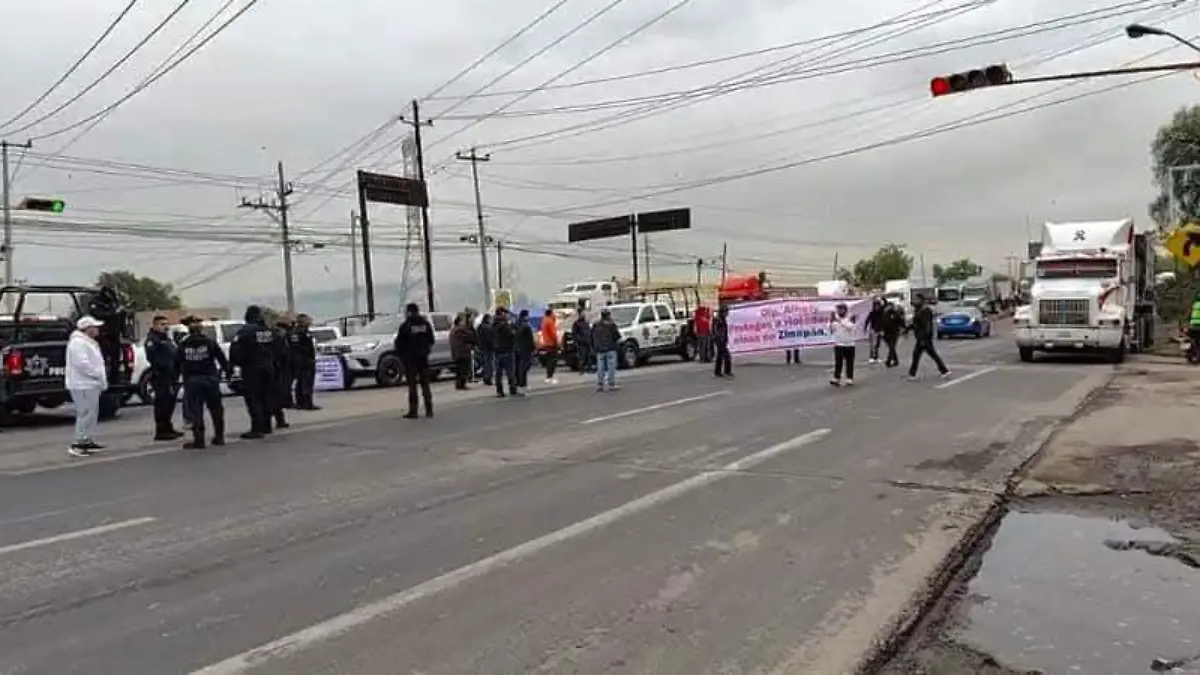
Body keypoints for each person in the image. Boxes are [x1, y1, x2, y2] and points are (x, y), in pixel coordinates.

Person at [175, 315, 230, 449]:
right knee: (216, 409)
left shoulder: (183, 345)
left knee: (195, 411)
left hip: (192, 381)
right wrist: (227, 373)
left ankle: (199, 440)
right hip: (210, 380)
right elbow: (222, 360)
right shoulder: (210, 342)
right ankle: (219, 437)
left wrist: (175, 381)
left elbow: (176, 364)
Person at [229, 305, 277, 439]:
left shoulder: (245, 331)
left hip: (252, 369)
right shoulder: (268, 331)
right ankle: (267, 425)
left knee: (254, 398)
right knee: (266, 397)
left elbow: (236, 351)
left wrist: (235, 365)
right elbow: (276, 347)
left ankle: (257, 428)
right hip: (268, 366)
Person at [65, 316, 108, 457]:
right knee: (85, 413)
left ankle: (86, 440)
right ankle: (78, 443)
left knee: (91, 414)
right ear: (87, 328)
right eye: (95, 327)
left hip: (90, 384)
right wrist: (96, 374)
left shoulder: (88, 342)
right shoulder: (78, 343)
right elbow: (82, 363)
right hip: (82, 384)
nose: (97, 329)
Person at [144, 315, 183, 441]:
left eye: (166, 324)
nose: (165, 327)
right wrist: (165, 367)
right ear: (155, 325)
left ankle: (168, 427)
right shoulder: (152, 340)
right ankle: (161, 431)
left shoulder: (166, 339)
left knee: (170, 402)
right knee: (162, 403)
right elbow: (153, 358)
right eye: (162, 324)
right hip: (161, 375)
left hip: (172, 375)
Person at [394, 302, 435, 418]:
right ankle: (429, 409)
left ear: (410, 312)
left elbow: (399, 343)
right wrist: (426, 350)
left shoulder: (406, 326)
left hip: (410, 360)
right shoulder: (425, 324)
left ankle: (414, 411)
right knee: (425, 384)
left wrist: (402, 355)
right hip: (423, 358)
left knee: (412, 386)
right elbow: (431, 340)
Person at [907, 294, 951, 380]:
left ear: (921, 300)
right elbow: (916, 323)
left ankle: (912, 374)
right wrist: (907, 329)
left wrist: (924, 337)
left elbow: (927, 325)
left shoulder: (925, 310)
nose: (914, 301)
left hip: (924, 337)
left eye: (916, 299)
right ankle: (944, 371)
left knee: (919, 354)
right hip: (921, 336)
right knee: (929, 354)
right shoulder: (918, 310)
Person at [289, 314, 319, 410]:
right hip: (305, 360)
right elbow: (303, 347)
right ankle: (307, 403)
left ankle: (300, 402)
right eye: (308, 320)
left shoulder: (295, 332)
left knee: (301, 382)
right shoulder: (302, 332)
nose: (310, 321)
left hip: (299, 360)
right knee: (307, 382)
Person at [591, 307, 621, 391]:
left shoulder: (596, 325)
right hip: (610, 348)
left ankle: (600, 384)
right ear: (608, 315)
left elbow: (592, 336)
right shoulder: (611, 325)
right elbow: (617, 336)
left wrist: (594, 346)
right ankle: (611, 384)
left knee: (600, 367)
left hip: (599, 349)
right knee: (611, 367)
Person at [829, 302, 857, 386]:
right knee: (838, 362)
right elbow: (831, 330)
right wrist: (831, 322)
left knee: (849, 362)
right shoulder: (835, 320)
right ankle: (836, 378)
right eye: (838, 309)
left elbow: (850, 327)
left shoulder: (850, 318)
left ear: (845, 310)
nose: (839, 311)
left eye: (841, 309)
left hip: (849, 344)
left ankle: (849, 378)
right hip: (839, 344)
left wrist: (839, 321)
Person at [492, 308, 517, 397]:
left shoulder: (493, 325)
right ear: (503, 314)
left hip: (497, 352)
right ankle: (513, 390)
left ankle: (499, 391)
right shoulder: (505, 325)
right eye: (506, 314)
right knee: (510, 372)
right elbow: (512, 335)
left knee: (498, 374)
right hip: (507, 350)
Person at [449, 314, 476, 390]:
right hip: (463, 352)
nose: (464, 322)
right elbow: (471, 337)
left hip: (456, 352)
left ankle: (459, 384)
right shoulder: (461, 330)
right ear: (459, 322)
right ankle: (462, 384)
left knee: (459, 370)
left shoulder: (453, 330)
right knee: (463, 369)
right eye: (463, 321)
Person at [514, 309, 536, 395]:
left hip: (518, 349)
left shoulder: (517, 324)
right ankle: (522, 385)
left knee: (520, 367)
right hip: (526, 349)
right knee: (524, 368)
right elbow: (530, 339)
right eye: (528, 315)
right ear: (525, 316)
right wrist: (533, 349)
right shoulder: (526, 326)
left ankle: (521, 384)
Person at [881, 302, 904, 368]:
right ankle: (896, 360)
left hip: (894, 332)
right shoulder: (885, 314)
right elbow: (883, 323)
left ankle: (888, 361)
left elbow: (900, 320)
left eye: (891, 306)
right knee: (891, 347)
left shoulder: (895, 313)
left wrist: (903, 328)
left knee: (892, 347)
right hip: (887, 333)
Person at [712, 304, 732, 377]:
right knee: (727, 356)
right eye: (726, 312)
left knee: (719, 356)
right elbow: (716, 330)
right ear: (723, 312)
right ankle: (727, 371)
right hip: (720, 340)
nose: (727, 314)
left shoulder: (722, 319)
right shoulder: (718, 319)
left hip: (722, 340)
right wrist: (720, 338)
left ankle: (717, 372)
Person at [540, 308, 559, 384]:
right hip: (552, 343)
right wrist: (556, 342)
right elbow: (553, 334)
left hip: (546, 343)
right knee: (553, 361)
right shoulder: (550, 321)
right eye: (553, 313)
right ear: (550, 314)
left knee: (549, 361)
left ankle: (548, 376)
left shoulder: (544, 321)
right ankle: (550, 377)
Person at [865, 297, 885, 364]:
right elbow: (867, 321)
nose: (877, 307)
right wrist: (865, 328)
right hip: (873, 330)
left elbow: (883, 322)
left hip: (879, 330)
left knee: (877, 345)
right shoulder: (872, 313)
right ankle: (871, 357)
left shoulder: (881, 313)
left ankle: (876, 357)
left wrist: (883, 330)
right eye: (875, 306)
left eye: (878, 305)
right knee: (872, 345)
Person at [476, 313, 495, 386]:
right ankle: (488, 379)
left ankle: (485, 378)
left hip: (482, 348)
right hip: (488, 348)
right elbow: (490, 339)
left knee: (484, 363)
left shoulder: (480, 326)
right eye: (490, 318)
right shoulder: (488, 327)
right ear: (488, 319)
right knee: (489, 364)